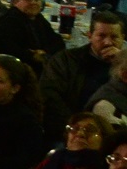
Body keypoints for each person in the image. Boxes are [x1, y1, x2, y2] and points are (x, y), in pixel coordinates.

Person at [40, 11, 123, 147]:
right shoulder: (66, 60)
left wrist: (121, 65)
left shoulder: (124, 67)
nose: (108, 42)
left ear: (122, 39)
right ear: (89, 36)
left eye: (114, 37)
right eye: (101, 36)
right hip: (72, 130)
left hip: (115, 136)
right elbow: (50, 97)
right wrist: (77, 128)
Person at [0, 0, 60, 72]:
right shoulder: (9, 21)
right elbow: (10, 51)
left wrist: (44, 53)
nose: (33, 2)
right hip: (18, 71)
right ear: (15, 1)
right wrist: (32, 55)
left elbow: (57, 41)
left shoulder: (38, 18)